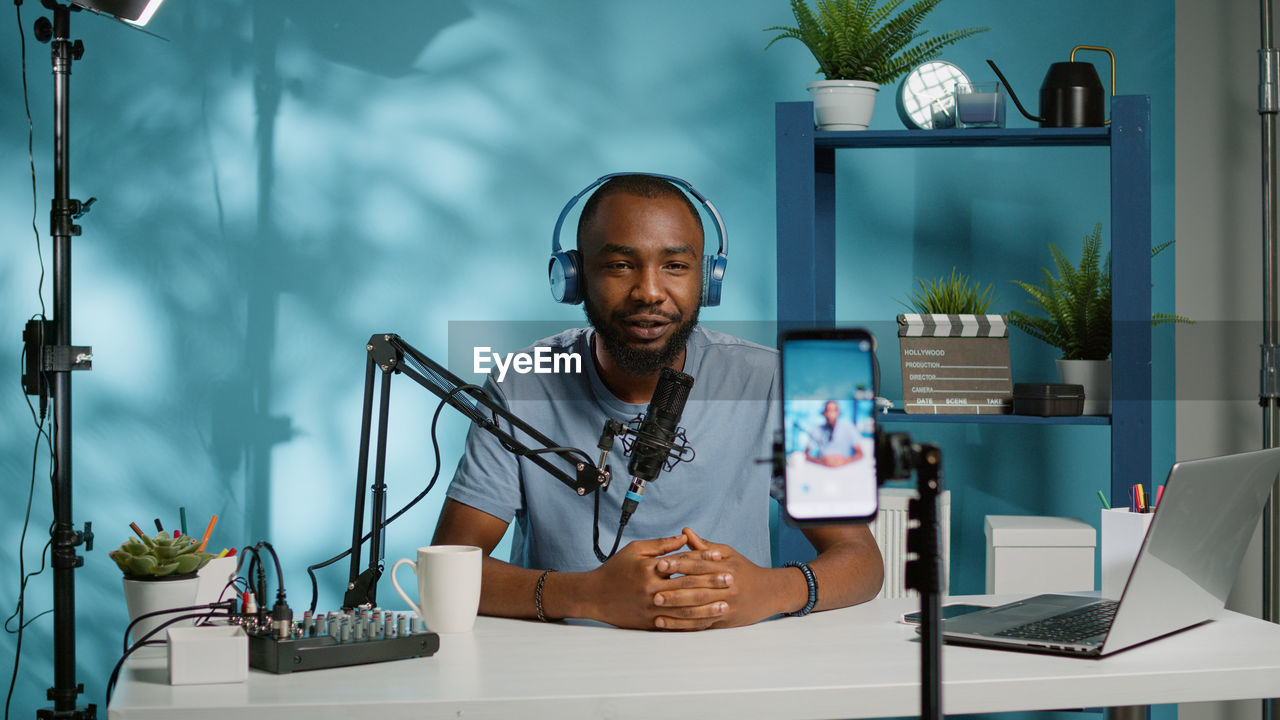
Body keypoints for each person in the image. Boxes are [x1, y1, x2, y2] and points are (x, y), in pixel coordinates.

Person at [433, 174, 883, 630]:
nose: (649, 291)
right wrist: (589, 596)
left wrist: (768, 590)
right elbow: (449, 570)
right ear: (574, 278)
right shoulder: (520, 384)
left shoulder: (771, 381)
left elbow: (862, 560)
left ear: (707, 280)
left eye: (674, 266)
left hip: (729, 670)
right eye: (620, 266)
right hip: (564, 673)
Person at [805, 400, 864, 467]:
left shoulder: (848, 428)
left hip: (845, 469)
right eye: (828, 410)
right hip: (822, 469)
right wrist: (822, 462)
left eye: (834, 410)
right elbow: (806, 455)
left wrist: (845, 462)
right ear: (824, 413)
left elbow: (860, 454)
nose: (831, 414)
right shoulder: (817, 429)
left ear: (838, 413)